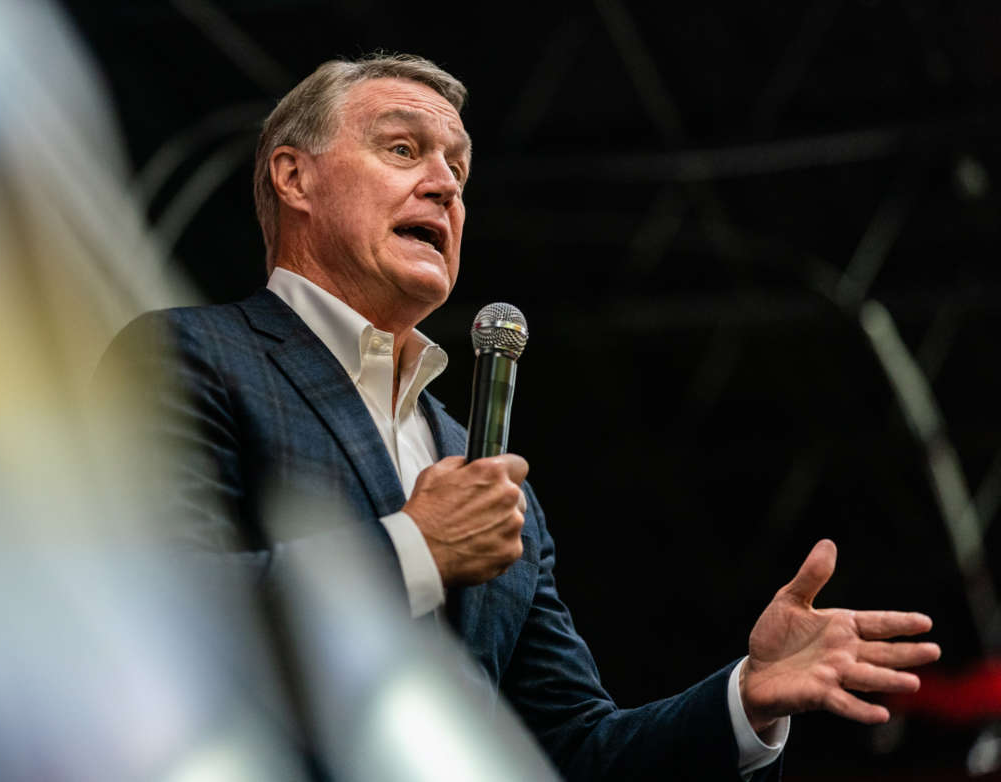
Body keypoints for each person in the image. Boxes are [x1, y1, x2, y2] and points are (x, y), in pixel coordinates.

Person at [96, 53, 941, 780]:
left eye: (457, 173)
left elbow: (573, 752)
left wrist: (740, 703)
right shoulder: (189, 358)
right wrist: (416, 550)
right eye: (403, 149)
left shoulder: (497, 491)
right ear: (294, 176)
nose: (443, 184)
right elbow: (158, 618)